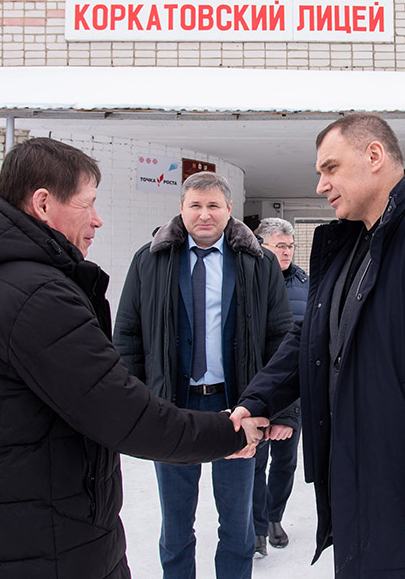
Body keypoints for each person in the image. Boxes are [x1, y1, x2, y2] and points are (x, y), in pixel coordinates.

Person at [0, 138, 267, 579]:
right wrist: (227, 435)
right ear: (44, 203)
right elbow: (119, 409)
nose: (97, 219)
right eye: (88, 203)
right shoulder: (36, 296)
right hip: (35, 543)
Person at [230, 114, 405, 578]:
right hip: (357, 487)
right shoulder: (348, 245)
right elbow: (311, 337)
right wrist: (258, 399)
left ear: (374, 155)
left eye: (330, 168)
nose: (321, 185)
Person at [114, 172, 293, 579]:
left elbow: (280, 338)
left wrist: (281, 410)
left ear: (229, 210)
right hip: (172, 408)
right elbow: (127, 335)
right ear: (181, 208)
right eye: (195, 205)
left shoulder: (258, 263)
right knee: (176, 525)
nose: (204, 214)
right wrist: (136, 406)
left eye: (213, 205)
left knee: (237, 523)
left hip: (237, 409)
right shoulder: (150, 260)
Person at [251, 217, 309, 557]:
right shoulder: (247, 279)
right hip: (256, 389)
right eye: (279, 246)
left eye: (290, 246)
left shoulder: (306, 283)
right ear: (261, 245)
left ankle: (274, 517)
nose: (286, 252)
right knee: (255, 462)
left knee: (285, 462)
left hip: (293, 392)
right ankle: (257, 527)